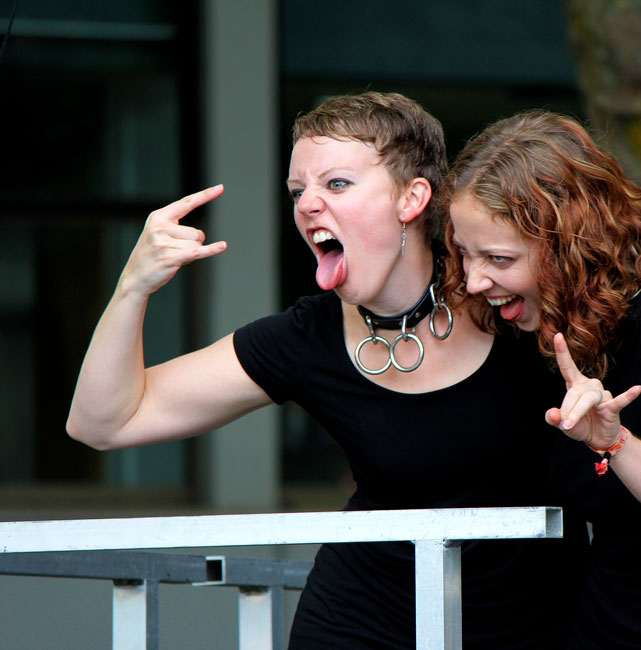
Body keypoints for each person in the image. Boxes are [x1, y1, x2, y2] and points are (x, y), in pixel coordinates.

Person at [65, 92, 600, 649]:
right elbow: (102, 422)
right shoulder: (307, 338)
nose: (308, 206)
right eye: (298, 191)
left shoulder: (509, 294)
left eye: (337, 184)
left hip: (530, 626)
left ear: (412, 197)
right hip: (358, 621)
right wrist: (133, 287)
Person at [441, 110, 641, 649]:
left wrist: (615, 442)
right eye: (464, 252)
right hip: (604, 629)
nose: (475, 280)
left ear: (569, 243)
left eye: (498, 258)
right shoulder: (528, 334)